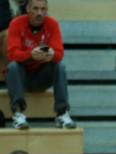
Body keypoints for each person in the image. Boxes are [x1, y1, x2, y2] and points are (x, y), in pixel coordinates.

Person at [6, 0, 75, 130]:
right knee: (12, 67)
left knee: (60, 66)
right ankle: (18, 114)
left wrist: (47, 53)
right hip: (23, 77)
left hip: (42, 77)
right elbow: (12, 54)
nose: (40, 13)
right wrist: (31, 54)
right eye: (36, 9)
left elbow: (59, 53)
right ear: (27, 9)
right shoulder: (16, 23)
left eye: (43, 9)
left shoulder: (52, 24)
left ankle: (62, 114)